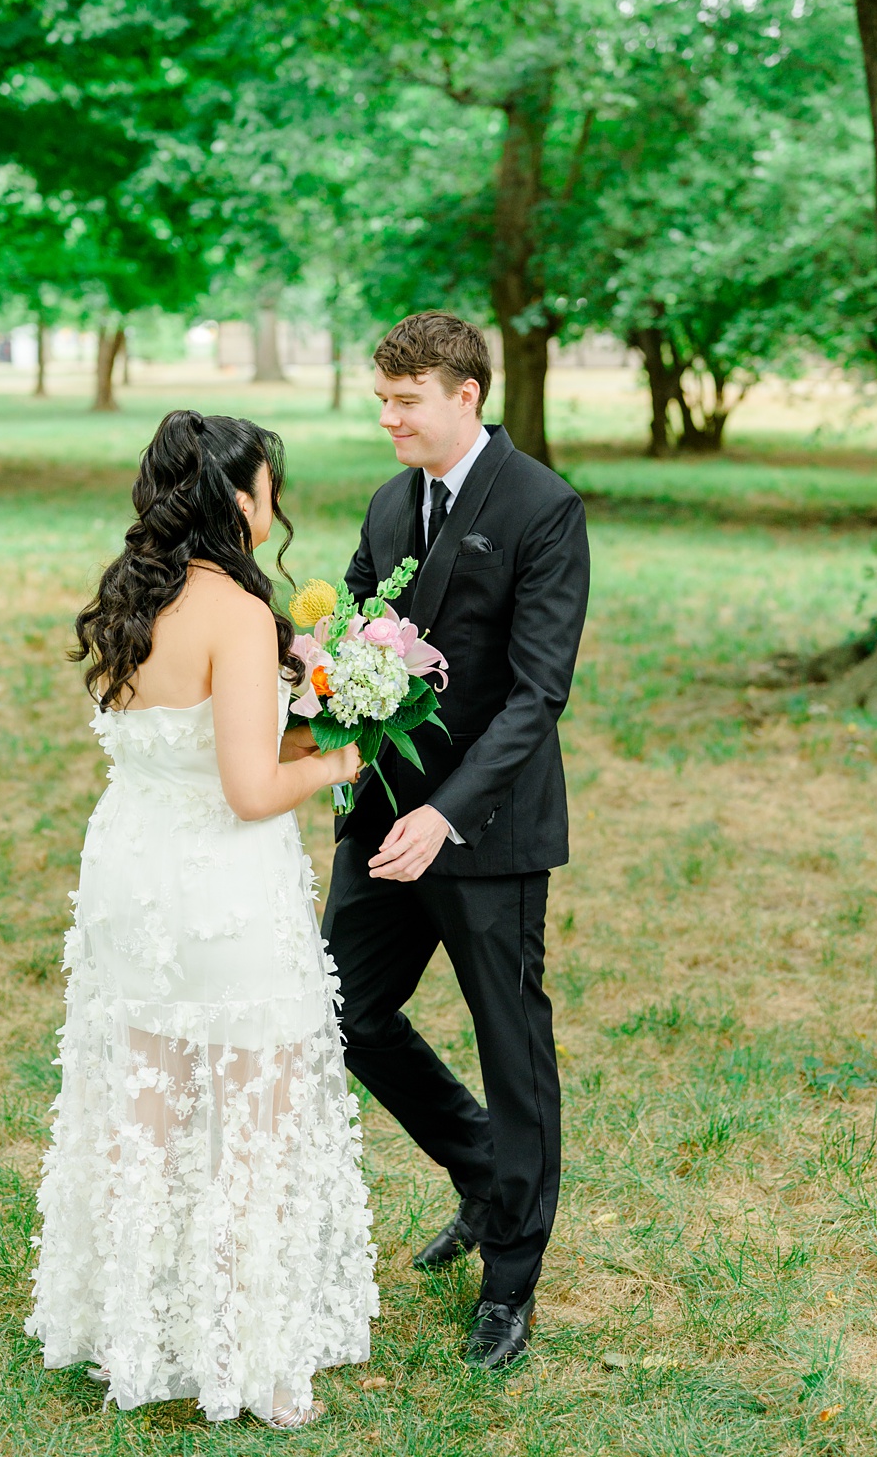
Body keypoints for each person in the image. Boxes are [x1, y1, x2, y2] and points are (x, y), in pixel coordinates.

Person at [27, 410, 377, 1428]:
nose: (279, 506)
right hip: (222, 895)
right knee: (253, 1125)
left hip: (131, 881)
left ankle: (138, 1331)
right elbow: (249, 789)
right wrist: (348, 758)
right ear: (235, 499)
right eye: (268, 486)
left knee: (148, 1112)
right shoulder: (233, 611)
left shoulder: (136, 596)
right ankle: (254, 1364)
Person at [319, 310, 590, 1372]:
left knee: (510, 1045)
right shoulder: (391, 502)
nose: (388, 416)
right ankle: (485, 1168)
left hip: (487, 830)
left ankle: (511, 1279)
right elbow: (345, 632)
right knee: (339, 1008)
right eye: (381, 397)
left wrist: (448, 811)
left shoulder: (542, 506)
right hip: (383, 819)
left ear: (465, 395)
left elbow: (537, 693)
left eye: (405, 399)